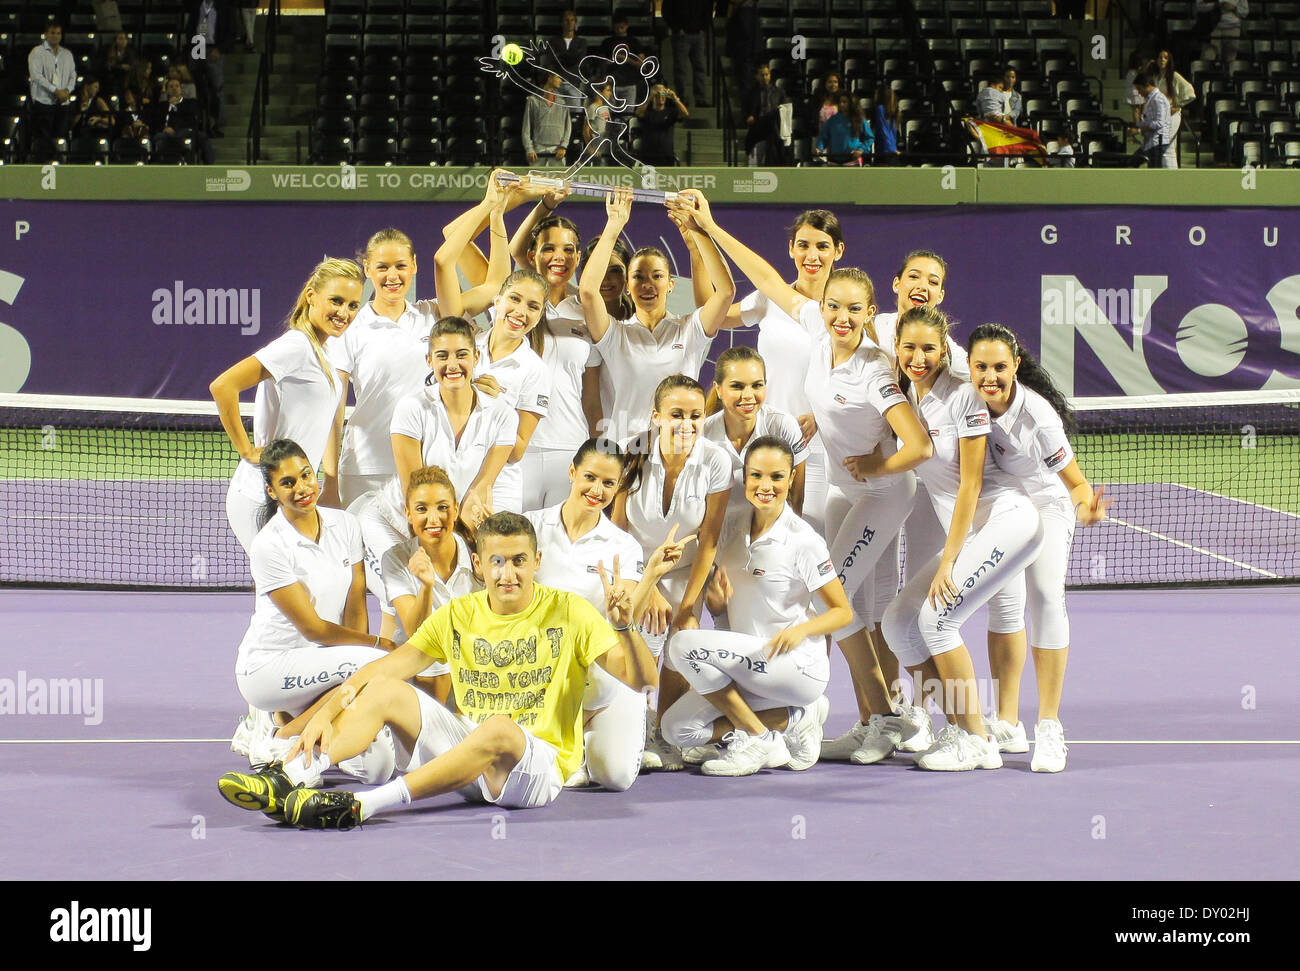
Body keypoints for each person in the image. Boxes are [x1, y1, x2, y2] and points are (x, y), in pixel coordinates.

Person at [222, 512, 680, 830]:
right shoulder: (458, 613)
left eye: (519, 560)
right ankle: (295, 778)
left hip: (534, 768)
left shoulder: (571, 610)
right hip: (466, 757)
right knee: (382, 689)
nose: (508, 573)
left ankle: (362, 805)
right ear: (479, 566)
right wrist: (325, 712)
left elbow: (642, 681)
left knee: (499, 728)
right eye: (497, 561)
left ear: (536, 562)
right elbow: (383, 669)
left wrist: (623, 625)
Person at [685, 188, 935, 767]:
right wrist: (709, 226)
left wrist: (878, 463)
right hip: (842, 489)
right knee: (861, 607)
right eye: (835, 308)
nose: (842, 317)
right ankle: (880, 716)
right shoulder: (821, 335)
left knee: (834, 600)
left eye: (854, 309)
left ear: (871, 314)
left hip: (881, 494)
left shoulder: (875, 363)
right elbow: (768, 278)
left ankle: (875, 715)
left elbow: (918, 444)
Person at [875, 308, 1046, 770]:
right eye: (908, 347)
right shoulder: (906, 393)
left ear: (944, 347)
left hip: (1008, 521)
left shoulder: (963, 396)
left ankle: (977, 741)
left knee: (936, 620)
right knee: (898, 622)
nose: (918, 357)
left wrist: (948, 559)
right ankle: (957, 724)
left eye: (929, 348)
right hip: (977, 533)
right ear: (897, 345)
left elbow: (970, 484)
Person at [663, 437, 853, 774]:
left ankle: (759, 738)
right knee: (676, 730)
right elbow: (724, 608)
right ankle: (798, 718)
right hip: (744, 666)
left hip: (791, 666)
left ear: (792, 478)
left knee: (681, 645)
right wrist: (717, 604)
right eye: (756, 476)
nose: (766, 486)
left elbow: (842, 612)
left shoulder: (804, 540)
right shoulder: (731, 527)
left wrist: (802, 630)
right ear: (745, 478)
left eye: (777, 477)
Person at [971, 323, 1110, 773]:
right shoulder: (966, 401)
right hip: (1004, 506)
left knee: (1046, 597)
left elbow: (1072, 479)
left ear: (1015, 366)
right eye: (980, 366)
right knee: (1003, 606)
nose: (989, 376)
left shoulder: (1038, 416)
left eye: (999, 367)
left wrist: (1086, 505)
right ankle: (1007, 722)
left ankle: (1049, 727)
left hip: (1048, 504)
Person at [336, 176, 518, 511]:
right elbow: (335, 412)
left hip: (426, 464)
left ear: (414, 266)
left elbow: (497, 285)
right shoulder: (351, 327)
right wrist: (330, 479)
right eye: (383, 267)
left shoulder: (435, 314)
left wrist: (494, 209)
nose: (393, 275)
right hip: (365, 468)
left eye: (401, 266)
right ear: (367, 270)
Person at [219, 438, 395, 781]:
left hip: (321, 665)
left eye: (305, 476)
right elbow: (313, 629)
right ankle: (280, 738)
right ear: (272, 492)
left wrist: (360, 648)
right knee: (376, 664)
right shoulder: (269, 546)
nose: (302, 488)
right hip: (269, 670)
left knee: (379, 768)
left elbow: (355, 602)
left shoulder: (345, 525)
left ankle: (294, 729)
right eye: (288, 483)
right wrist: (375, 646)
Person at [613, 375, 732, 770]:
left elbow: (710, 540)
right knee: (640, 636)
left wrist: (687, 605)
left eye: (696, 416)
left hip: (686, 567)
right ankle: (634, 727)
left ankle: (664, 734)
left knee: (683, 637)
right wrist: (646, 585)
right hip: (635, 563)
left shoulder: (716, 460)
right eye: (676, 414)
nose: (687, 424)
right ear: (656, 417)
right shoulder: (632, 452)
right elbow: (616, 533)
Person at [210, 258, 362, 556]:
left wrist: (328, 480)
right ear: (311, 297)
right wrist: (247, 450)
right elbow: (223, 386)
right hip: (262, 493)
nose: (344, 312)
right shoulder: (296, 346)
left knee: (292, 591)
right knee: (281, 592)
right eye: (336, 301)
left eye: (353, 305)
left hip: (293, 492)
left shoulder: (324, 352)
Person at [525, 439, 650, 790]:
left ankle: (616, 713)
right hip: (540, 670)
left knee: (615, 777)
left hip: (603, 673)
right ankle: (565, 732)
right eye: (590, 478)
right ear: (571, 473)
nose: (597, 490)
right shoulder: (529, 528)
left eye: (609, 483)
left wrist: (622, 604)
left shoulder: (623, 546)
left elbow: (623, 616)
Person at [713, 209, 846, 536]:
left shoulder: (845, 313)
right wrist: (698, 239)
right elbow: (712, 316)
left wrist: (821, 414)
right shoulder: (768, 299)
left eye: (822, 246)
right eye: (803, 245)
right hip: (765, 441)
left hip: (818, 447)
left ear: (838, 251)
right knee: (756, 537)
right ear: (790, 248)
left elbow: (856, 380)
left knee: (810, 536)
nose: (811, 255)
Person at [579, 188, 733, 443]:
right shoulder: (615, 334)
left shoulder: (690, 329)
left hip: (679, 447)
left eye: (657, 276)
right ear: (627, 286)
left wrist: (699, 236)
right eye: (638, 277)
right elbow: (587, 291)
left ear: (670, 284)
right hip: (627, 452)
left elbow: (725, 292)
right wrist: (613, 227)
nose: (647, 284)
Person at [381, 465, 479, 706]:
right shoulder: (395, 558)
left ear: (456, 510)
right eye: (422, 509)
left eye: (443, 507)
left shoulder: (478, 550)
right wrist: (426, 586)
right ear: (408, 513)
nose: (433, 519)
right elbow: (417, 635)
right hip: (417, 667)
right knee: (432, 661)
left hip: (471, 665)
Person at [700, 345, 807, 521]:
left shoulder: (783, 425)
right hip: (720, 536)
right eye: (737, 386)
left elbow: (796, 499)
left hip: (772, 534)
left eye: (757, 385)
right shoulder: (703, 435)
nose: (748, 395)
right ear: (718, 389)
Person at [187, 0, 236, 137]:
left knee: (217, 89)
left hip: (213, 49)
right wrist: (192, 45)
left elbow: (232, 32)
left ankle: (218, 125)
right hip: (197, 47)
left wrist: (220, 50)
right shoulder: (196, 5)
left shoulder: (224, 7)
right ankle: (201, 123)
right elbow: (190, 26)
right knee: (197, 89)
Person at [27, 21, 77, 146]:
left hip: (63, 103)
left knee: (60, 139)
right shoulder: (37, 52)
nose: (55, 36)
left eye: (58, 33)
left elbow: (73, 75)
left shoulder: (67, 54)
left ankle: (59, 163)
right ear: (46, 34)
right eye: (52, 33)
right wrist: (55, 91)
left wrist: (67, 91)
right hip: (43, 102)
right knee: (43, 141)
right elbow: (36, 76)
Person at [595, 12, 657, 108]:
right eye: (617, 27)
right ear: (613, 27)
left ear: (626, 26)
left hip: (630, 84)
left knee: (627, 116)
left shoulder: (634, 42)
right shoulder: (607, 42)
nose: (619, 30)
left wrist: (627, 59)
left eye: (622, 27)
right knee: (609, 116)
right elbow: (600, 62)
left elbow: (643, 65)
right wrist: (611, 61)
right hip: (611, 85)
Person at [152, 76, 213, 163]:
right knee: (158, 137)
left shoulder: (190, 103)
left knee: (203, 137)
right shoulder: (163, 105)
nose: (174, 88)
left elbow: (191, 120)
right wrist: (164, 128)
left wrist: (175, 128)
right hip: (167, 133)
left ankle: (209, 165)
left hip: (185, 131)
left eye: (177, 86)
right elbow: (158, 121)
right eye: (171, 86)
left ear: (181, 89)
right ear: (167, 91)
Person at [1153, 49, 1195, 169]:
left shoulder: (1174, 76)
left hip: (1172, 115)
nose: (1162, 60)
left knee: (1167, 147)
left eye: (1165, 58)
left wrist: (1178, 105)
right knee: (1164, 148)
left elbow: (1190, 91)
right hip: (1160, 116)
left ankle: (1172, 177)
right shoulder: (1156, 77)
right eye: (1160, 57)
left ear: (1169, 61)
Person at [663, 0, 710, 108]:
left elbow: (707, 9)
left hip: (698, 33)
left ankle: (700, 98)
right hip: (681, 35)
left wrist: (703, 27)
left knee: (700, 67)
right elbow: (666, 11)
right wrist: (677, 28)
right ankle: (681, 97)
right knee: (681, 69)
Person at [522, 71, 571, 167]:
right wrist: (529, 148)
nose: (560, 81)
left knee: (558, 180)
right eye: (558, 77)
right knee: (535, 180)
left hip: (558, 149)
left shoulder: (562, 102)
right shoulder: (533, 100)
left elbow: (568, 127)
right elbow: (526, 128)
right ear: (550, 78)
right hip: (538, 149)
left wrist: (563, 146)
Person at [538, 8, 588, 103]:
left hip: (574, 84)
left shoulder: (582, 42)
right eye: (566, 20)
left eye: (572, 20)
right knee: (556, 115)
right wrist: (571, 56)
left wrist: (560, 55)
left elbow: (579, 60)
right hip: (557, 84)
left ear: (575, 22)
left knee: (575, 115)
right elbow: (552, 60)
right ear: (561, 23)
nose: (569, 23)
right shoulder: (553, 41)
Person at [634, 82, 688, 167]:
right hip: (648, 155)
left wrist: (675, 98)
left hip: (666, 155)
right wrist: (651, 97)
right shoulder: (647, 112)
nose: (660, 97)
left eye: (663, 93)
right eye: (658, 94)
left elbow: (685, 113)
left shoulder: (670, 112)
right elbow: (638, 113)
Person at [1127, 71, 1170, 168]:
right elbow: (1149, 121)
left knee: (1153, 172)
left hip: (1157, 142)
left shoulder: (1159, 99)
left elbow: (1159, 123)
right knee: (1132, 162)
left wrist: (1138, 130)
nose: (1138, 92)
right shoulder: (1152, 99)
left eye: (1139, 89)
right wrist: (1136, 125)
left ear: (1147, 85)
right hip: (1151, 142)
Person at [816, 93, 873, 165]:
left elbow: (869, 138)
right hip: (833, 160)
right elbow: (823, 137)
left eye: (844, 102)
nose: (841, 104)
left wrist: (861, 150)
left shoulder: (860, 119)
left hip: (852, 161)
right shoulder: (832, 120)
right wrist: (819, 148)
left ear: (851, 103)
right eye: (840, 102)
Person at [743, 64, 782, 166]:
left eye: (766, 74)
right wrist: (749, 116)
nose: (765, 77)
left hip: (773, 125)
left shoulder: (778, 92)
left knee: (773, 124)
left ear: (770, 75)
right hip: (758, 125)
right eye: (762, 75)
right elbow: (745, 110)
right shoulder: (751, 93)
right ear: (757, 76)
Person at [723, 0, 761, 96]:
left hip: (743, 53)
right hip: (746, 53)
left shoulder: (744, 11)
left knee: (745, 85)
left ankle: (747, 109)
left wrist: (730, 18)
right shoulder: (750, 9)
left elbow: (744, 31)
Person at [1197, 0, 1250, 65]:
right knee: (1208, 59)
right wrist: (1216, 5)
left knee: (1230, 62)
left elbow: (1244, 13)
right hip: (1212, 29)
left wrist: (1234, 8)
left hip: (1233, 29)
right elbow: (1199, 7)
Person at [872, 83, 901, 159]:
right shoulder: (886, 110)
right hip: (887, 149)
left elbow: (885, 130)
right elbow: (884, 130)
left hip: (886, 150)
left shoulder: (882, 109)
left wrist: (892, 149)